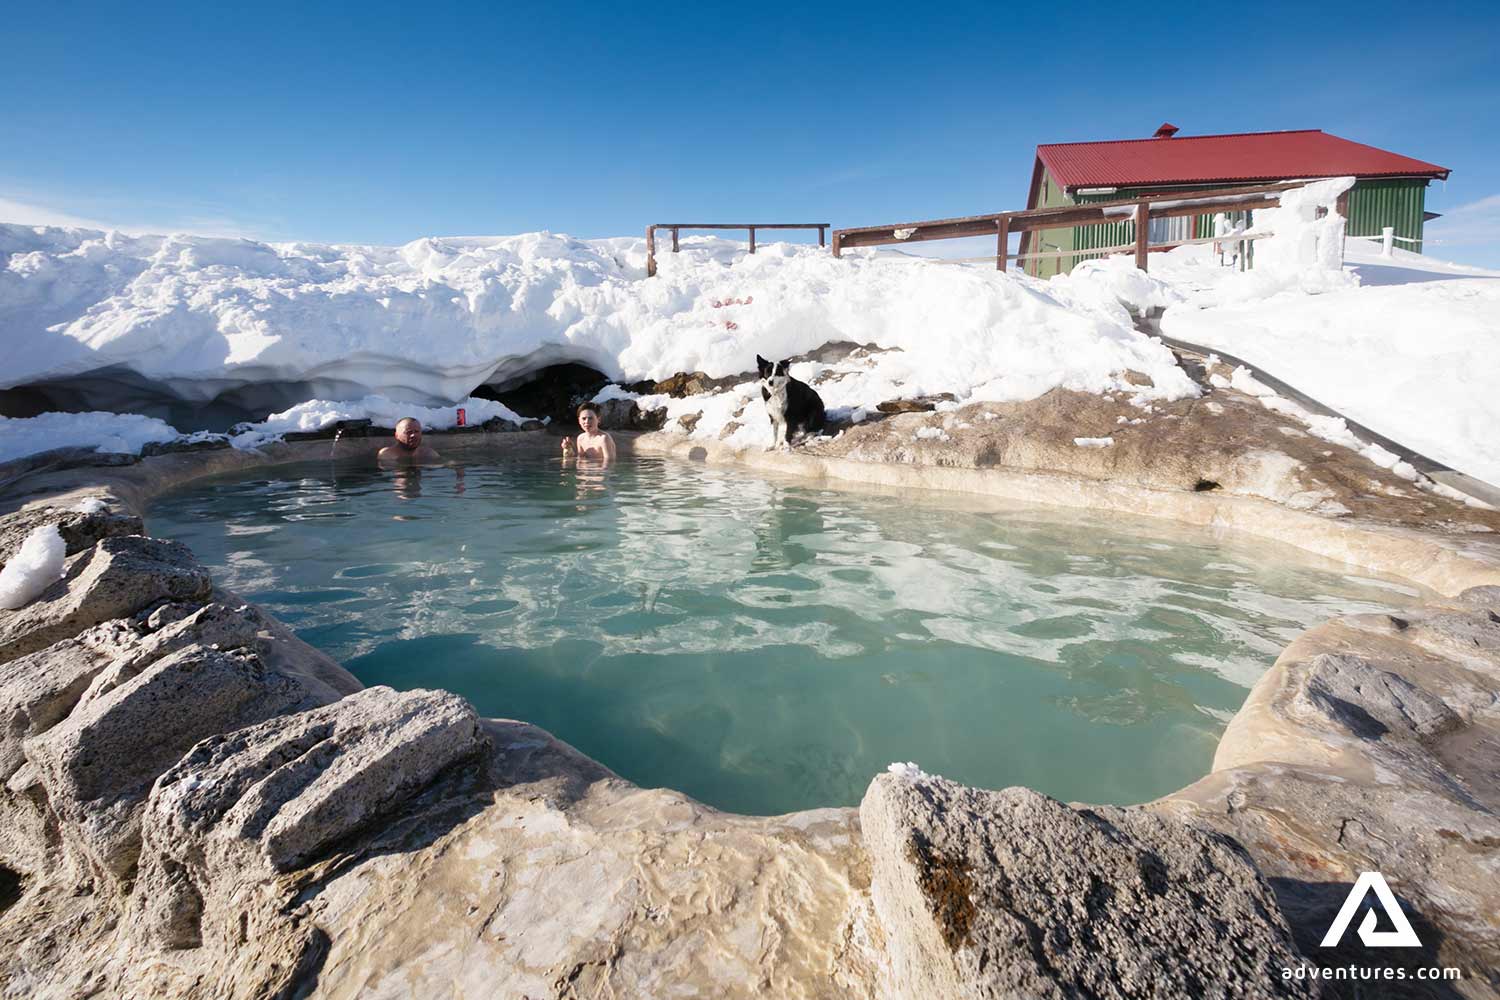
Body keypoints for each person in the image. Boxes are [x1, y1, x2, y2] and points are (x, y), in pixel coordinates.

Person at [377, 417, 442, 465]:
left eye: (416, 431)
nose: (413, 435)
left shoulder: (428, 454)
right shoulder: (387, 455)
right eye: (408, 432)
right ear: (396, 435)